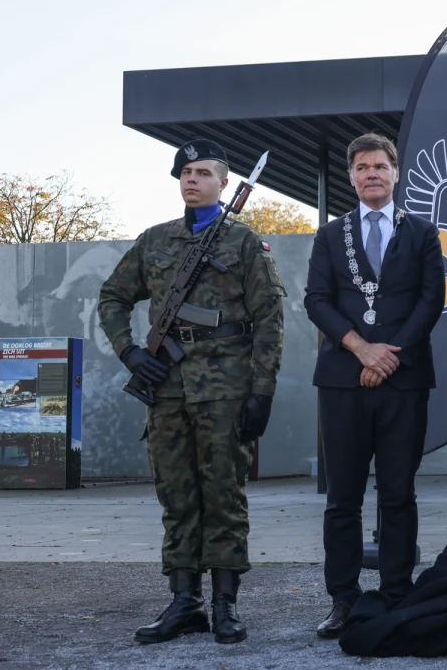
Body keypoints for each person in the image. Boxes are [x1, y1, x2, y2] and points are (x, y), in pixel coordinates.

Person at [97, 139, 287, 644]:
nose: (191, 179)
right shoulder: (155, 240)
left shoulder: (244, 243)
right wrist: (129, 351)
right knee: (175, 495)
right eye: (185, 172)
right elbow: (113, 295)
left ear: (223, 183)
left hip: (225, 389)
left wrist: (262, 391)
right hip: (166, 387)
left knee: (224, 494)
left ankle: (225, 604)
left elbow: (270, 319)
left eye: (203, 172)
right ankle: (185, 602)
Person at [304, 132, 445, 638]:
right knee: (342, 498)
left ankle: (396, 594)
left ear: (395, 173)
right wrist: (362, 350)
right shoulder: (330, 235)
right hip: (343, 382)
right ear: (351, 177)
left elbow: (430, 301)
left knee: (398, 493)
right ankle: (343, 599)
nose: (372, 174)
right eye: (362, 167)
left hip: (403, 380)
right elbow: (317, 300)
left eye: (380, 166)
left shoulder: (422, 233)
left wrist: (388, 356)